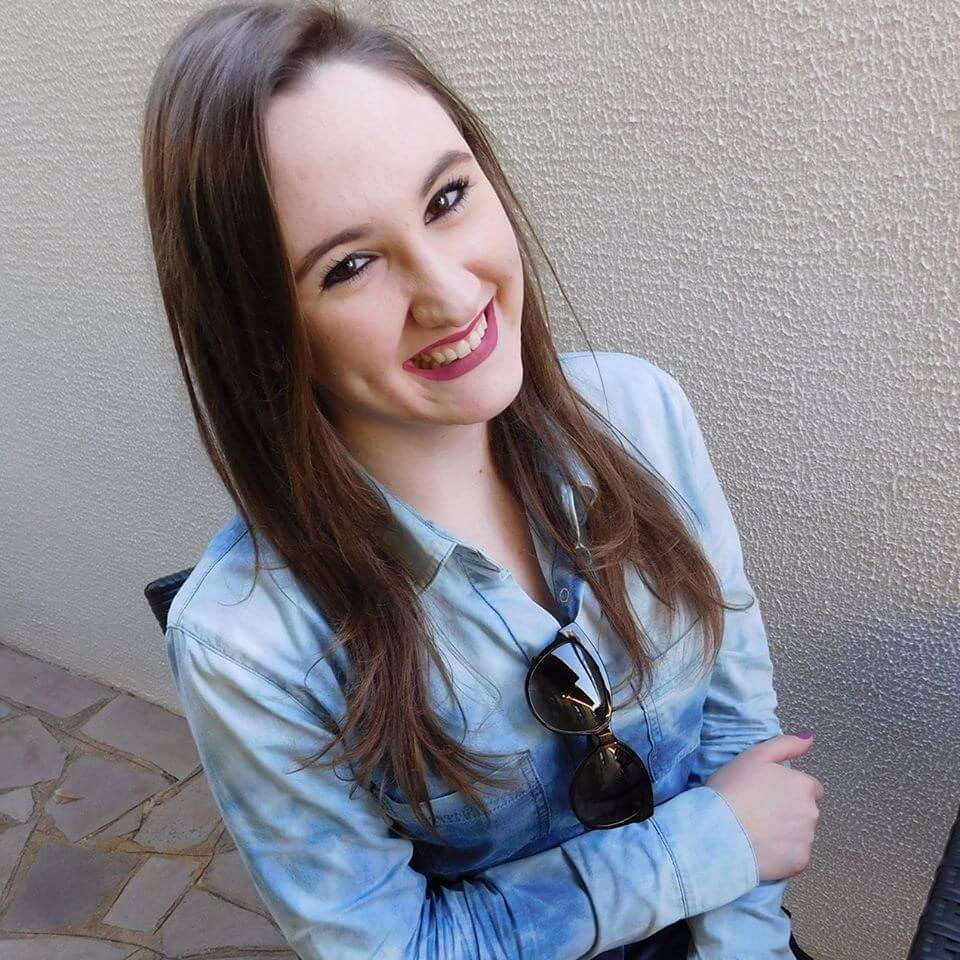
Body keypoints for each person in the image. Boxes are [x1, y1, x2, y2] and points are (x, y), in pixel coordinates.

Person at [142, 2, 824, 958]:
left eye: (446, 198)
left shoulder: (641, 416)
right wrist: (704, 848)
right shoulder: (249, 645)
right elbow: (393, 948)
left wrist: (742, 941)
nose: (452, 292)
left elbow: (740, 734)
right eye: (350, 265)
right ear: (259, 326)